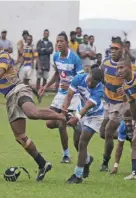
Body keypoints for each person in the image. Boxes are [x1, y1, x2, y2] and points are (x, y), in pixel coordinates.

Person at [0, 39, 67, 181]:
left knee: (32, 113)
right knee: (20, 137)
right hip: (9, 98)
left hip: (19, 90)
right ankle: (43, 164)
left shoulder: (3, 56)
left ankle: (63, 116)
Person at [39, 32, 83, 164]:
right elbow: (57, 74)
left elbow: (81, 79)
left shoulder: (75, 58)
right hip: (60, 94)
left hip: (73, 95)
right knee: (49, 123)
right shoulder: (56, 56)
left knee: (60, 122)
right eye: (57, 41)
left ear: (67, 43)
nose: (58, 43)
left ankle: (66, 155)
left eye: (61, 41)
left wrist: (69, 84)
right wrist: (46, 87)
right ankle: (72, 121)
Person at [62, 68, 104, 184]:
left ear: (99, 82)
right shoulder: (78, 78)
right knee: (76, 143)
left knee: (82, 142)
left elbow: (87, 107)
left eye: (93, 83)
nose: (90, 84)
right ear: (88, 74)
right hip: (80, 111)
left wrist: (77, 118)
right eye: (89, 81)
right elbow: (69, 96)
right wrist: (64, 110)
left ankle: (78, 175)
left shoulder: (100, 90)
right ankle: (87, 160)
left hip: (95, 116)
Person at [99, 42, 129, 172]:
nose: (113, 51)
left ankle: (105, 163)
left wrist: (125, 89)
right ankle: (127, 136)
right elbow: (100, 77)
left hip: (120, 104)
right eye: (111, 48)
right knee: (102, 133)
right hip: (107, 102)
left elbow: (133, 80)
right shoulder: (105, 63)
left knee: (108, 132)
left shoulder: (126, 66)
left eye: (116, 49)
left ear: (122, 50)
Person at [36, 29, 53, 100]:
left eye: (47, 33)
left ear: (48, 34)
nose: (46, 34)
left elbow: (51, 51)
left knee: (45, 79)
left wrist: (43, 50)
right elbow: (38, 50)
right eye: (45, 33)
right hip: (40, 62)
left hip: (46, 63)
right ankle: (37, 91)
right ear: (43, 34)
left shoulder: (50, 43)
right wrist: (46, 50)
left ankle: (43, 91)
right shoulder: (39, 42)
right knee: (38, 78)